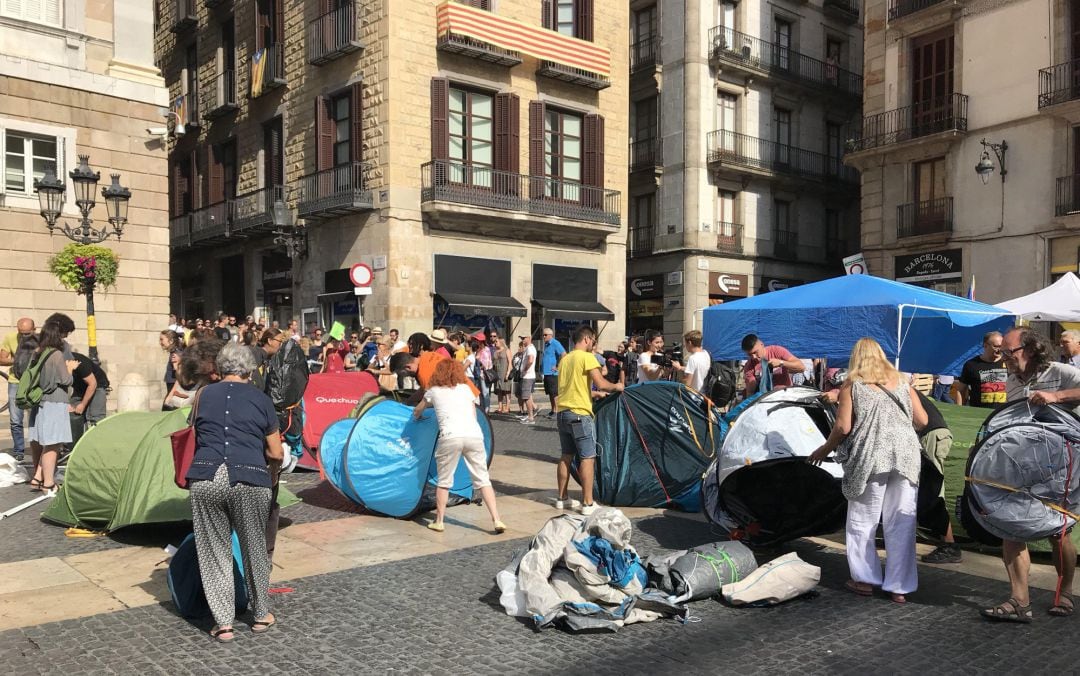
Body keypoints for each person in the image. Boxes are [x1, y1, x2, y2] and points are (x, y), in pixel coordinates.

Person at [809, 337, 928, 605]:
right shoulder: (901, 381)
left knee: (864, 520)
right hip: (906, 457)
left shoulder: (853, 384)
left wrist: (824, 449)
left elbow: (843, 428)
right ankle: (899, 586)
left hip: (871, 456)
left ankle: (864, 579)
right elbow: (922, 420)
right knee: (902, 523)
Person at [981, 327, 1080, 622]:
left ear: (1032, 349)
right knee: (1011, 526)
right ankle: (1019, 601)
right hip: (1022, 464)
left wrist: (1056, 396)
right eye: (1001, 354)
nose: (1004, 359)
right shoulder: (1011, 380)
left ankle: (1065, 592)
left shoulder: (1060, 371)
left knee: (1057, 532)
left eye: (1009, 353)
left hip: (1061, 467)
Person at [186, 343, 282, 642]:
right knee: (254, 545)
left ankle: (223, 622)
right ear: (250, 370)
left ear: (220, 367)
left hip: (206, 475)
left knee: (214, 550)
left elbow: (196, 432)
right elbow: (276, 452)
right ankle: (261, 614)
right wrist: (274, 472)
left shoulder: (203, 395)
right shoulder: (261, 399)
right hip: (250, 477)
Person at [413, 359, 505, 534]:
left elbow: (418, 410)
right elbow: (473, 414)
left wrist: (417, 417)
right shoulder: (465, 389)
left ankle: (439, 521)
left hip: (450, 436)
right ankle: (497, 519)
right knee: (483, 479)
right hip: (474, 435)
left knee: (444, 481)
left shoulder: (433, 390)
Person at [554, 326, 624, 515]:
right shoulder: (586, 357)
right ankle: (588, 502)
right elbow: (601, 382)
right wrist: (617, 386)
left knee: (566, 455)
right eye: (593, 341)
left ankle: (562, 498)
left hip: (563, 413)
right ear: (586, 339)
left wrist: (594, 394)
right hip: (579, 414)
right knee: (587, 457)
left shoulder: (565, 359)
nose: (593, 344)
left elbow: (571, 387)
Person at [26, 322, 75, 494]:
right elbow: (66, 380)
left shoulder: (38, 352)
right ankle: (48, 483)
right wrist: (70, 370)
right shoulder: (56, 355)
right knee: (53, 444)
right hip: (55, 401)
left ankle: (38, 477)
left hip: (41, 401)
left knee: (46, 441)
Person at [916, 390, 961, 564]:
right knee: (929, 490)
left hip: (930, 435)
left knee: (933, 492)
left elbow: (921, 420)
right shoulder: (895, 381)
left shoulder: (890, 384)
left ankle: (949, 545)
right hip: (935, 433)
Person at [1, 317, 36, 460]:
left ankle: (37, 448)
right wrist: (19, 359)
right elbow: (1, 359)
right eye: (21, 333)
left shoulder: (41, 340)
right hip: (15, 381)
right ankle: (19, 450)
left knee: (36, 417)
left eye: (27, 333)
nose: (24, 336)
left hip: (34, 382)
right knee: (16, 418)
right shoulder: (10, 338)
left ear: (34, 329)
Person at [956, 331, 1007, 408]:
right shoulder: (971, 365)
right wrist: (959, 410)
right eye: (996, 346)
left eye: (1001, 346)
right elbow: (960, 390)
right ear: (985, 345)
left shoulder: (1009, 363)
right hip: (978, 414)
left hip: (1001, 415)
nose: (999, 350)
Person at [68, 350, 109, 444]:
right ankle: (77, 444)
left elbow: (92, 384)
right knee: (73, 415)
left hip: (97, 385)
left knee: (96, 417)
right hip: (80, 387)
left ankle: (98, 445)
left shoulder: (78, 362)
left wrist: (82, 404)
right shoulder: (56, 362)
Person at [540, 328, 566, 417]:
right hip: (547, 373)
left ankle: (557, 411)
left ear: (551, 335)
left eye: (545, 335)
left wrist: (558, 366)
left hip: (553, 373)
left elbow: (564, 354)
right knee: (550, 393)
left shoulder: (555, 343)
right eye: (543, 335)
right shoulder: (547, 344)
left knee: (554, 393)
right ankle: (552, 410)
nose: (543, 336)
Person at [160, 330, 184, 411]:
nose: (160, 342)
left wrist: (171, 394)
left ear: (171, 341)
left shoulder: (175, 354)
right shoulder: (175, 352)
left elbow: (179, 374)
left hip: (173, 388)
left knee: (166, 412)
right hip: (172, 387)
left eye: (162, 339)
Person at [517, 335, 538, 424]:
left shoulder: (530, 348)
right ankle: (530, 416)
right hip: (528, 376)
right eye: (521, 338)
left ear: (529, 338)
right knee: (527, 396)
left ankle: (530, 418)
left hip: (527, 376)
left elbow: (530, 360)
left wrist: (525, 369)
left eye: (524, 338)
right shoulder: (529, 348)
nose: (522, 340)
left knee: (526, 397)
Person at [492, 335, 513, 414]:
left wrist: (508, 373)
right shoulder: (495, 351)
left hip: (504, 373)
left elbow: (510, 363)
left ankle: (507, 407)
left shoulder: (507, 350)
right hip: (497, 373)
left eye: (496, 341)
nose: (495, 343)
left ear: (501, 342)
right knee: (499, 390)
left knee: (507, 390)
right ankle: (500, 407)